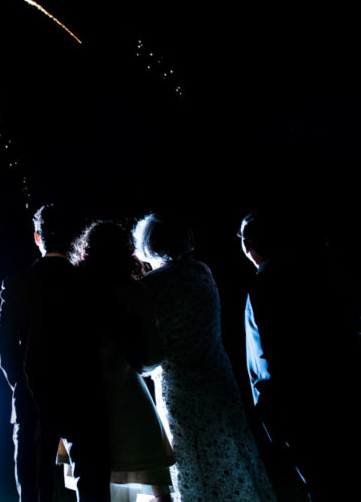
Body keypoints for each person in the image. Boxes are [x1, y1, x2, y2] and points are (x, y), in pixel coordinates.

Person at [132, 214, 273, 502]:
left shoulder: (151, 286)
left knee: (193, 458)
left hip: (180, 386)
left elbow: (151, 352)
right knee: (230, 449)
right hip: (217, 374)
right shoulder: (201, 271)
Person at [239, 212, 358, 501]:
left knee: (317, 482)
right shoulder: (313, 274)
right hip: (332, 393)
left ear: (247, 245)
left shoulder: (261, 286)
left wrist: (267, 406)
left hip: (293, 403)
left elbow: (269, 353)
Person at [73, 221, 173, 502]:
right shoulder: (136, 293)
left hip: (86, 406)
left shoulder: (74, 292)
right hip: (130, 404)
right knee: (157, 489)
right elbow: (151, 357)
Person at [17, 205, 110, 502]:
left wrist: (22, 385)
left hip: (34, 395)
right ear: (73, 239)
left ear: (36, 237)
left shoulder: (20, 283)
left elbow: (4, 344)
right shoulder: (91, 283)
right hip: (86, 393)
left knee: (35, 483)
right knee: (92, 482)